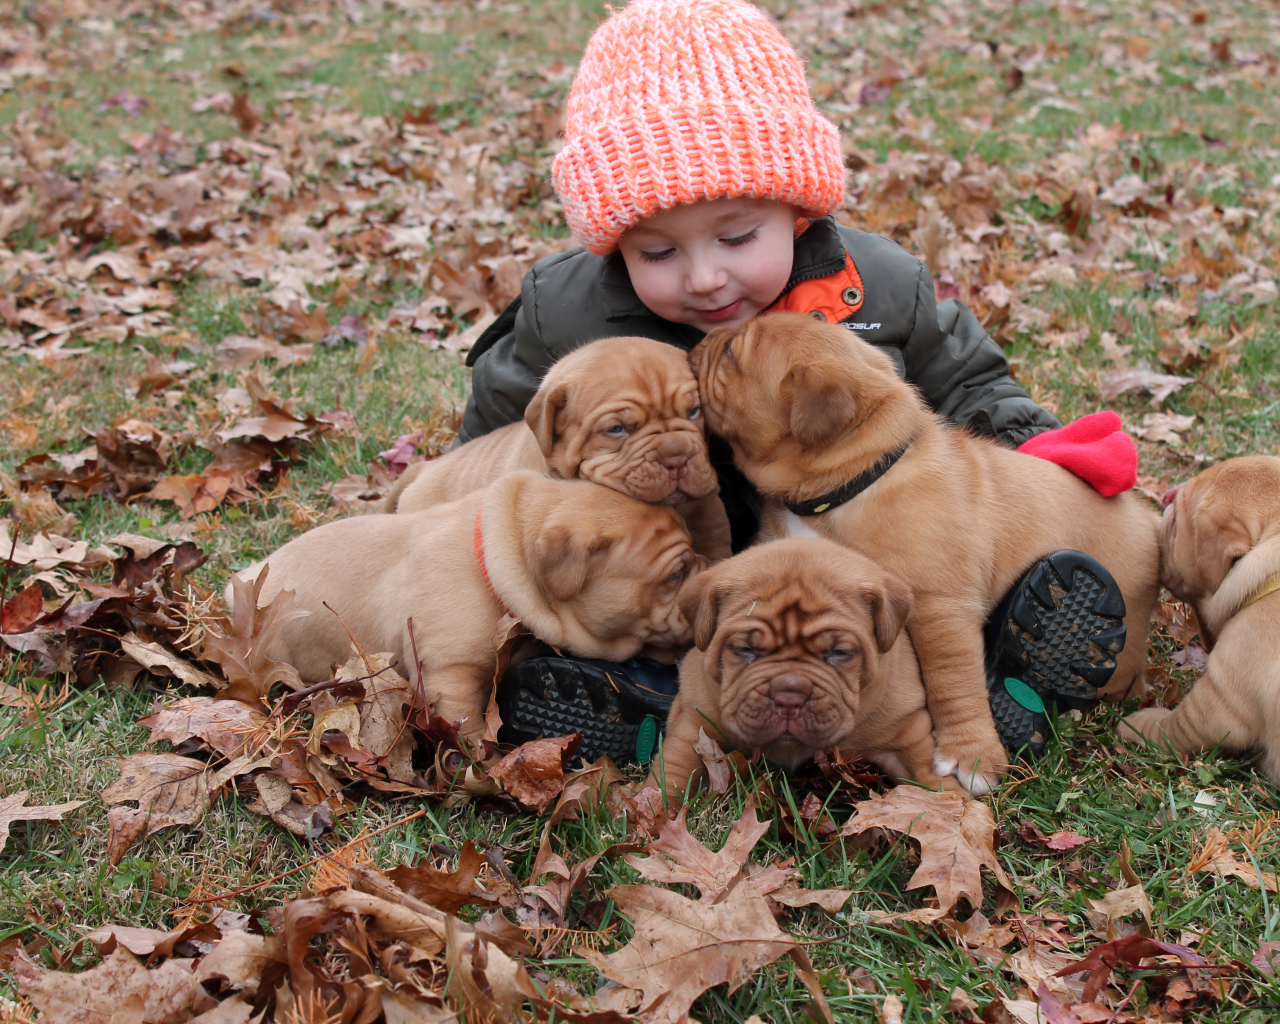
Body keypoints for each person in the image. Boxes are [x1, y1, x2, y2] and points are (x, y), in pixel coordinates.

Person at [463, 0, 1138, 776]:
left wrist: (1035, 445)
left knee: (931, 592)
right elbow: (492, 440)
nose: (705, 277)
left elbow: (973, 383)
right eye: (657, 252)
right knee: (620, 603)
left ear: (796, 204)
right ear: (615, 245)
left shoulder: (879, 290)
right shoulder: (566, 311)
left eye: (738, 236)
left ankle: (1002, 668)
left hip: (836, 570)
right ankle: (626, 691)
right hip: (675, 560)